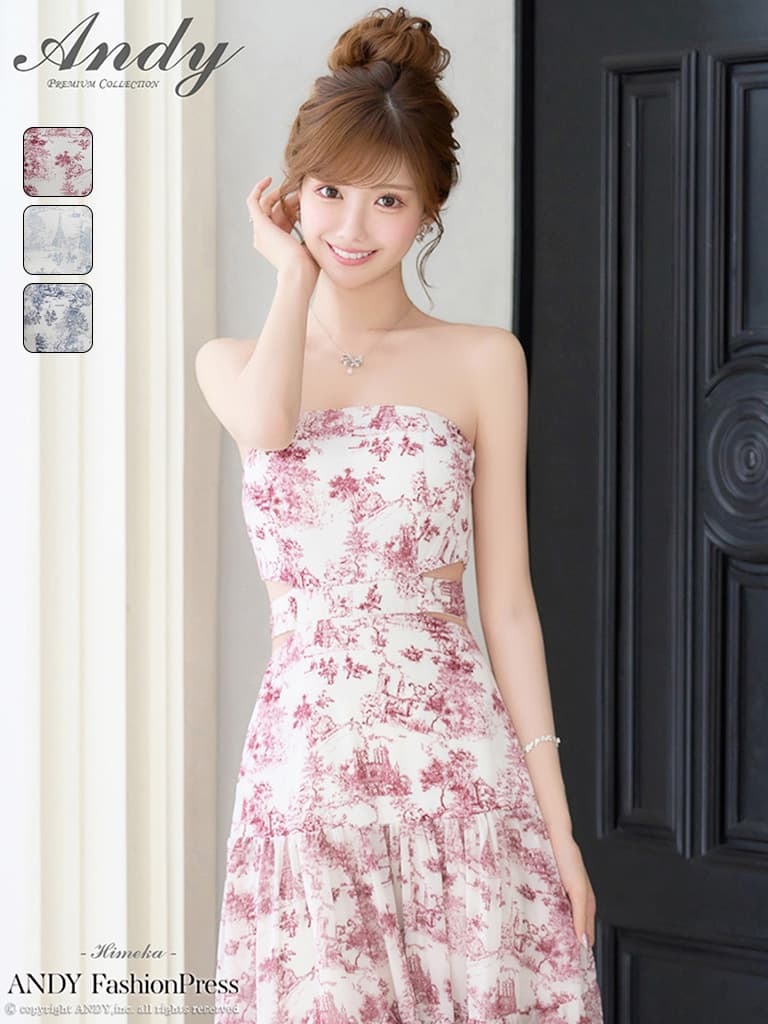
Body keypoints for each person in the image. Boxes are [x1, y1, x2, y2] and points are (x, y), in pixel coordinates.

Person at [195, 6, 604, 1021]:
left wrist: (557, 824)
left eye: (387, 200)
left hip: (460, 776)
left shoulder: (484, 360)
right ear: (292, 194)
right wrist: (293, 276)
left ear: (429, 209)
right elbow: (272, 426)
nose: (351, 228)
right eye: (329, 193)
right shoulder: (232, 364)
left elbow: (508, 606)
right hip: (308, 779)